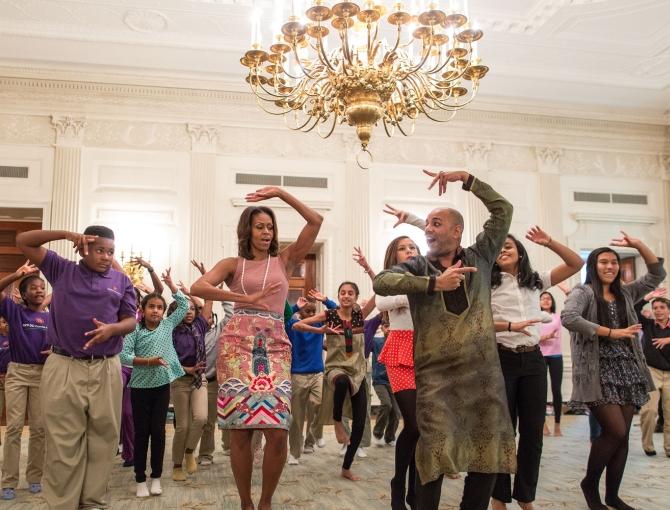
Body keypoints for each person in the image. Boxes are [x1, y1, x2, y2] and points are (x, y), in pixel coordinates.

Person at [373, 169, 516, 510]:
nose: (429, 229)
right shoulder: (418, 267)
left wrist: (467, 179)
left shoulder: (480, 255)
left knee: (487, 453)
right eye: (428, 224)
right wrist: (432, 285)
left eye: (437, 224)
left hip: (482, 377)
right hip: (435, 377)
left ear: (456, 231)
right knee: (433, 454)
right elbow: (381, 282)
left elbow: (503, 210)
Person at [190, 186, 322, 510]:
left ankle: (266, 501)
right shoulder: (232, 263)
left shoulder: (285, 260)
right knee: (241, 430)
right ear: (247, 230)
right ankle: (246, 502)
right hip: (237, 346)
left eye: (270, 227)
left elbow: (315, 221)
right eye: (260, 226)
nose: (266, 232)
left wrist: (280, 194)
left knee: (277, 429)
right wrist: (243, 298)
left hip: (275, 346)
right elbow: (198, 286)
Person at [16, 226, 137, 510]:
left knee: (103, 439)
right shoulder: (62, 269)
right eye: (100, 250)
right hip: (64, 364)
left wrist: (112, 329)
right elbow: (23, 241)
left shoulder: (121, 281)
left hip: (106, 366)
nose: (106, 257)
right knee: (63, 441)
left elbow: (130, 320)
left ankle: (92, 501)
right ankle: (62, 504)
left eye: (110, 252)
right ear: (85, 247)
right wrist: (66, 235)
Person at [561, 233, 665, 510]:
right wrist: (611, 332)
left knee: (622, 438)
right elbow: (569, 318)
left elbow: (657, 274)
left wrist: (639, 245)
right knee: (616, 432)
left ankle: (612, 496)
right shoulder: (583, 292)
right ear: (593, 266)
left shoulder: (626, 293)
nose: (610, 267)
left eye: (614, 262)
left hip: (628, 369)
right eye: (603, 262)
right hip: (598, 370)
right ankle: (589, 484)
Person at [490, 229, 583, 510]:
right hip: (501, 359)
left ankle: (525, 496)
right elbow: (477, 322)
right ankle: (498, 496)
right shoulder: (486, 284)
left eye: (507, 246)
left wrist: (551, 241)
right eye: (497, 249)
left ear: (520, 251)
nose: (502, 251)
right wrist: (508, 326)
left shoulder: (535, 281)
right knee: (502, 431)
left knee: (532, 433)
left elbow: (576, 264)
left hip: (532, 360)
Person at [354, 235, 423, 510]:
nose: (409, 251)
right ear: (393, 256)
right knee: (413, 422)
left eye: (413, 247)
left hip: (427, 350)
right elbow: (383, 304)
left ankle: (416, 487)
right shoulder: (387, 279)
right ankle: (399, 483)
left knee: (425, 428)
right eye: (403, 248)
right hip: (400, 348)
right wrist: (417, 293)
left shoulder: (428, 276)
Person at [293, 282, 376, 481]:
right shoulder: (329, 316)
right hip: (335, 369)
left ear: (356, 297)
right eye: (343, 293)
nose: (346, 296)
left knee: (359, 425)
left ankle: (346, 467)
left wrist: (367, 268)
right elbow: (297, 325)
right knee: (341, 382)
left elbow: (378, 293)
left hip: (357, 372)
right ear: (338, 296)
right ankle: (338, 423)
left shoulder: (359, 316)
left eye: (350, 293)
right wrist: (321, 331)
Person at [120, 268, 188, 497]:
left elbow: (185, 306)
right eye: (152, 307)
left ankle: (156, 477)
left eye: (160, 307)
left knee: (158, 433)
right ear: (143, 310)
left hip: (161, 388)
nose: (156, 311)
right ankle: (140, 479)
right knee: (142, 434)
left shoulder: (168, 325)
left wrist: (172, 285)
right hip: (139, 389)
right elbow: (124, 356)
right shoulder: (134, 331)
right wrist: (147, 361)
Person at [0, 262, 50, 500]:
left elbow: (65, 342)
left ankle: (35, 478)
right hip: (18, 373)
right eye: (34, 288)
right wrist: (14, 275)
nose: (39, 291)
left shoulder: (52, 317)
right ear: (24, 293)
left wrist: (57, 350)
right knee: (14, 428)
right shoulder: (15, 311)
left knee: (40, 429)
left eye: (42, 288)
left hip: (43, 375)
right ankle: (8, 481)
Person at [169, 270, 212, 482]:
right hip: (179, 379)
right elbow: (168, 357)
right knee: (183, 426)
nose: (189, 311)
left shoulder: (199, 326)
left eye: (193, 308)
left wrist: (208, 278)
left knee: (202, 418)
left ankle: (189, 452)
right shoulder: (171, 330)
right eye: (185, 308)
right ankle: (177, 464)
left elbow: (209, 302)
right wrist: (186, 370)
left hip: (199, 379)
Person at [285, 293, 337, 465]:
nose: (312, 315)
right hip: (298, 374)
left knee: (319, 405)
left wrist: (325, 300)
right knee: (297, 417)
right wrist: (295, 307)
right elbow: (283, 319)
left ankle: (311, 439)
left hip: (317, 373)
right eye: (308, 311)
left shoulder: (321, 323)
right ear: (301, 313)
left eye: (314, 311)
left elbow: (337, 311)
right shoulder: (294, 324)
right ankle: (294, 452)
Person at [197, 298, 234, 466]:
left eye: (210, 316)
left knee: (228, 416)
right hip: (204, 381)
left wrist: (219, 295)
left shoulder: (219, 330)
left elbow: (231, 315)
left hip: (222, 380)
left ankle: (228, 446)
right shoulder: (194, 333)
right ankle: (205, 454)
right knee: (208, 420)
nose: (207, 319)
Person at [634, 288, 670, 457]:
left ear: (668, 310)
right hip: (652, 371)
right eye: (655, 307)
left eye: (662, 307)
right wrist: (648, 297)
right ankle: (648, 445)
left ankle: (669, 448)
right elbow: (633, 309)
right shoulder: (648, 325)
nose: (658, 310)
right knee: (649, 411)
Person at [371, 317, 400, 448]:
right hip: (379, 381)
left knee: (396, 411)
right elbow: (365, 339)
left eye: (391, 326)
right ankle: (377, 433)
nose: (389, 329)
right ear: (382, 328)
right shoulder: (376, 342)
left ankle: (389, 437)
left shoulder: (398, 343)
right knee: (387, 404)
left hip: (394, 381)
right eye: (386, 326)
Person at [539, 291, 564, 437]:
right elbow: (534, 337)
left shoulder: (557, 316)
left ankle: (557, 425)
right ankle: (543, 425)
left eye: (549, 298)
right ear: (539, 302)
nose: (546, 300)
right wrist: (547, 336)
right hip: (540, 356)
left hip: (556, 356)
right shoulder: (536, 317)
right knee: (541, 391)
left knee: (556, 390)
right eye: (543, 298)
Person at [0, 315, 9, 445]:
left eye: (6, 321)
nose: (4, 324)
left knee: (14, 415)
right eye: (2, 322)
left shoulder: (16, 336)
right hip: (0, 378)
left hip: (14, 377)